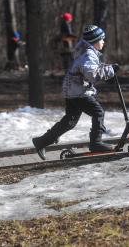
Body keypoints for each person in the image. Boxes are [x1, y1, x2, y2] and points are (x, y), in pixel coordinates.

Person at [32, 24, 119, 160]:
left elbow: (89, 69)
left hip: (72, 90)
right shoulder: (89, 54)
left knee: (70, 121)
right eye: (102, 39)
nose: (104, 42)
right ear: (95, 41)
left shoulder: (84, 50)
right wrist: (111, 70)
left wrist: (108, 68)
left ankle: (41, 141)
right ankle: (96, 142)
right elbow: (92, 75)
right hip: (79, 91)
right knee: (98, 112)